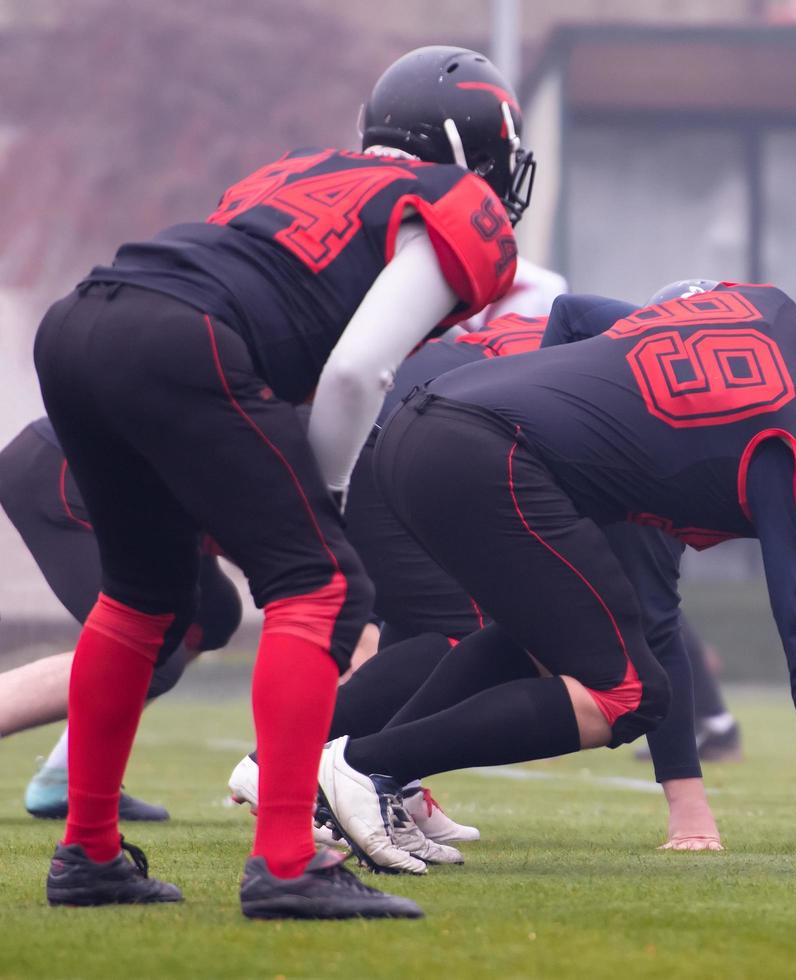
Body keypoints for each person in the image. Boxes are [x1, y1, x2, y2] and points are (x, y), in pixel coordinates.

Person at [32, 44, 527, 919]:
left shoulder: (293, 173)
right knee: (328, 586)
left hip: (83, 320)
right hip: (183, 335)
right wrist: (328, 499)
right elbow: (353, 373)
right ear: (475, 142)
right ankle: (288, 862)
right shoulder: (457, 202)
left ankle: (90, 853)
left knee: (144, 598)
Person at [315, 285, 796, 878]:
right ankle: (364, 765)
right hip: (486, 454)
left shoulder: (761, 314)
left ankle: (365, 772)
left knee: (533, 645)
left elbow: (576, 318)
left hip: (427, 428)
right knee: (632, 692)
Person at [0, 419, 243, 821]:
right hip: (69, 472)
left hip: (142, 488)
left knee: (209, 616)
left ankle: (64, 777)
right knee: (149, 648)